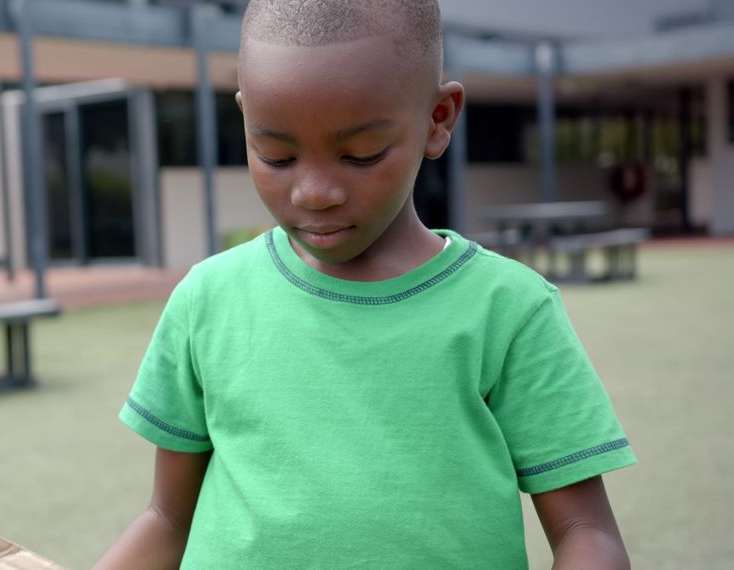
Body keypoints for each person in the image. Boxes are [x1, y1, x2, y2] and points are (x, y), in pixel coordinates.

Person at [95, 1, 636, 567]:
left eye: (361, 154)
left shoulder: (508, 310)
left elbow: (585, 531)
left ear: (438, 118)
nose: (315, 191)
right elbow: (166, 518)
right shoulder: (208, 300)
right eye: (276, 155)